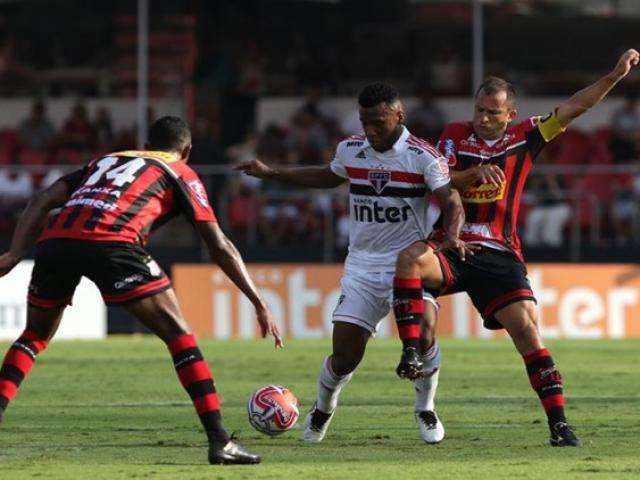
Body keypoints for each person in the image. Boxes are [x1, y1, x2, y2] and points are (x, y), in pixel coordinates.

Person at [392, 48, 640, 447]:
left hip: (499, 252)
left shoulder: (527, 135)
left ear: (510, 114)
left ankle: (559, 424)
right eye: (479, 109)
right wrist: (472, 174)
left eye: (493, 112)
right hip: (452, 243)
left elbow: (576, 106)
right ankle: (410, 354)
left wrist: (613, 75)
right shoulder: (455, 134)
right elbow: (439, 183)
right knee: (408, 260)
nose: (483, 118)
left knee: (528, 331)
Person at [0, 116, 282, 465]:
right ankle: (219, 441)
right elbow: (219, 245)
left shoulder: (106, 160)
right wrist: (258, 300)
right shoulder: (180, 171)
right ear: (187, 150)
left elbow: (44, 198)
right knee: (180, 337)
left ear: (147, 143)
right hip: (113, 243)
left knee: (33, 337)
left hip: (56, 241)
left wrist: (14, 253)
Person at [236, 82, 471, 444]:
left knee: (424, 335)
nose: (370, 130)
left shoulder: (423, 157)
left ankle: (426, 408)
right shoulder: (351, 149)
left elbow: (451, 199)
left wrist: (452, 235)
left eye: (378, 122)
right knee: (345, 356)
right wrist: (273, 173)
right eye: (365, 121)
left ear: (398, 116)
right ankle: (321, 411)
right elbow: (328, 175)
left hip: (408, 267)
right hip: (362, 268)